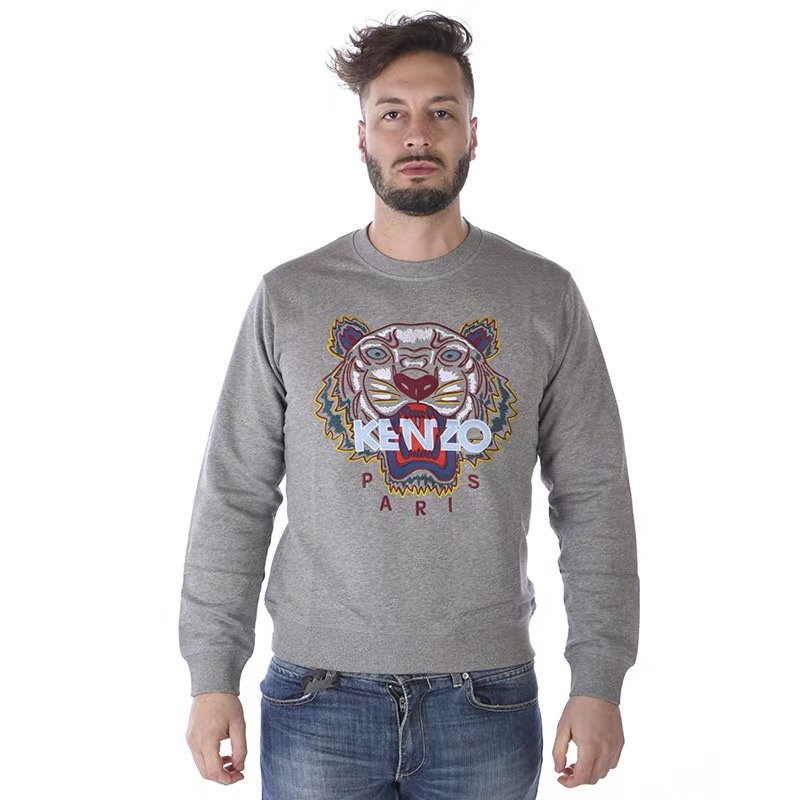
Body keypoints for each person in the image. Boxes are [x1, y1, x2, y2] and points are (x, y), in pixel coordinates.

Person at [179, 11, 639, 799]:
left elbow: (594, 494)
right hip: (316, 693)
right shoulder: (291, 297)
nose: (417, 133)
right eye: (393, 113)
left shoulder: (542, 295)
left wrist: (599, 680)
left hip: (487, 693)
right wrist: (211, 673)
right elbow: (235, 491)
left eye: (441, 112)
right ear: (362, 135)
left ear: (472, 134)